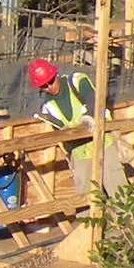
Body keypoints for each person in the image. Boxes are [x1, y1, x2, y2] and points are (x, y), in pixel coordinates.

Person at [29, 56, 99, 189]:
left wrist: (89, 116)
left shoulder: (76, 81)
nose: (50, 87)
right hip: (80, 153)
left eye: (51, 81)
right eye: (44, 86)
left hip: (103, 142)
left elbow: (94, 99)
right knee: (84, 197)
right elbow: (61, 133)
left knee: (118, 192)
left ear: (56, 74)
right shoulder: (48, 107)